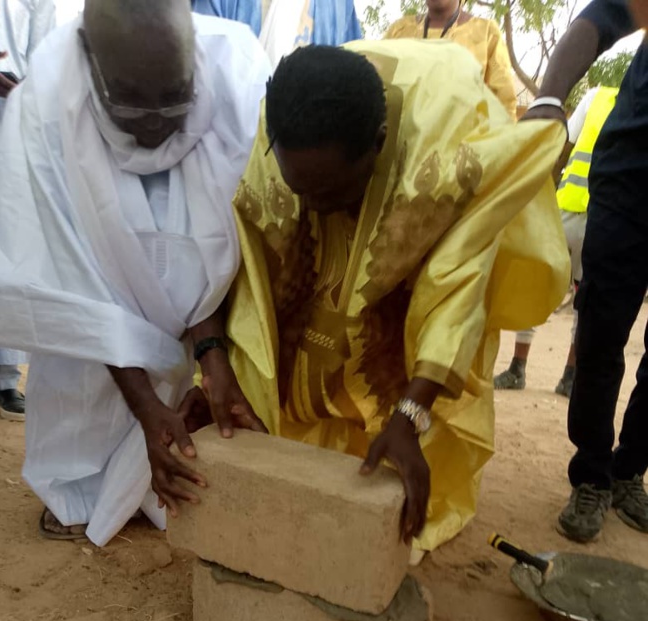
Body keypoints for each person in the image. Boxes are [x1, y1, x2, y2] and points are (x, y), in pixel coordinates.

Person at [186, 41, 569, 562]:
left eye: (330, 194)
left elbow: (457, 287)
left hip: (423, 238)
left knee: (399, 351)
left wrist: (410, 414)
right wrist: (211, 366)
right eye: (301, 189)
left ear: (379, 144)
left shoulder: (447, 155)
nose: (311, 207)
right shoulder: (284, 120)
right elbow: (243, 256)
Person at [0, 0, 270, 544]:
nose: (155, 122)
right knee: (81, 389)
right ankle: (77, 490)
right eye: (132, 103)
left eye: (173, 99)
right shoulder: (45, 105)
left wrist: (212, 357)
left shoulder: (236, 73)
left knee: (187, 439)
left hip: (195, 309)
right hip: (87, 309)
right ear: (91, 69)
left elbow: (219, 238)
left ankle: (153, 482)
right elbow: (67, 288)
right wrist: (146, 407)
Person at [523, 0, 648, 541]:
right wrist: (550, 96)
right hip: (631, 177)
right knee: (600, 333)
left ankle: (629, 471)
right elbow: (604, 17)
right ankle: (591, 475)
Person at [494, 85, 619, 397]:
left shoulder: (597, 96)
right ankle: (569, 377)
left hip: (566, 210)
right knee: (583, 299)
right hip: (603, 218)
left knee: (534, 282)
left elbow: (564, 142)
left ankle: (517, 369)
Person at [0, 0, 56, 421]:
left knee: (8, 240)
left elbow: (43, 54)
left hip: (9, 115)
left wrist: (26, 91)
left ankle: (3, 379)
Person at [385, 0, 517, 120]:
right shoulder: (399, 31)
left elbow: (504, 106)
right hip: (401, 142)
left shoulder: (486, 32)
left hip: (465, 143)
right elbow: (377, 86)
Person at [191, 0, 361, 68]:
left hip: (311, 133)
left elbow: (350, 67)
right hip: (235, 131)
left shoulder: (340, 5)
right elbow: (201, 58)